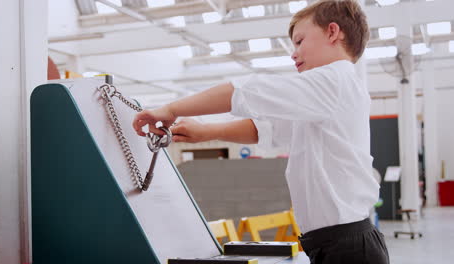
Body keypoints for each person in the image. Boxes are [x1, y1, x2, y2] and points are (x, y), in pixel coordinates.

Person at [132, 0, 389, 263]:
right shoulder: (325, 96)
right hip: (334, 244)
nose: (293, 53)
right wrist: (206, 133)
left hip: (348, 248)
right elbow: (266, 129)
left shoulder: (335, 81)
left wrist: (172, 109)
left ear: (333, 32)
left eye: (299, 41)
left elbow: (245, 92)